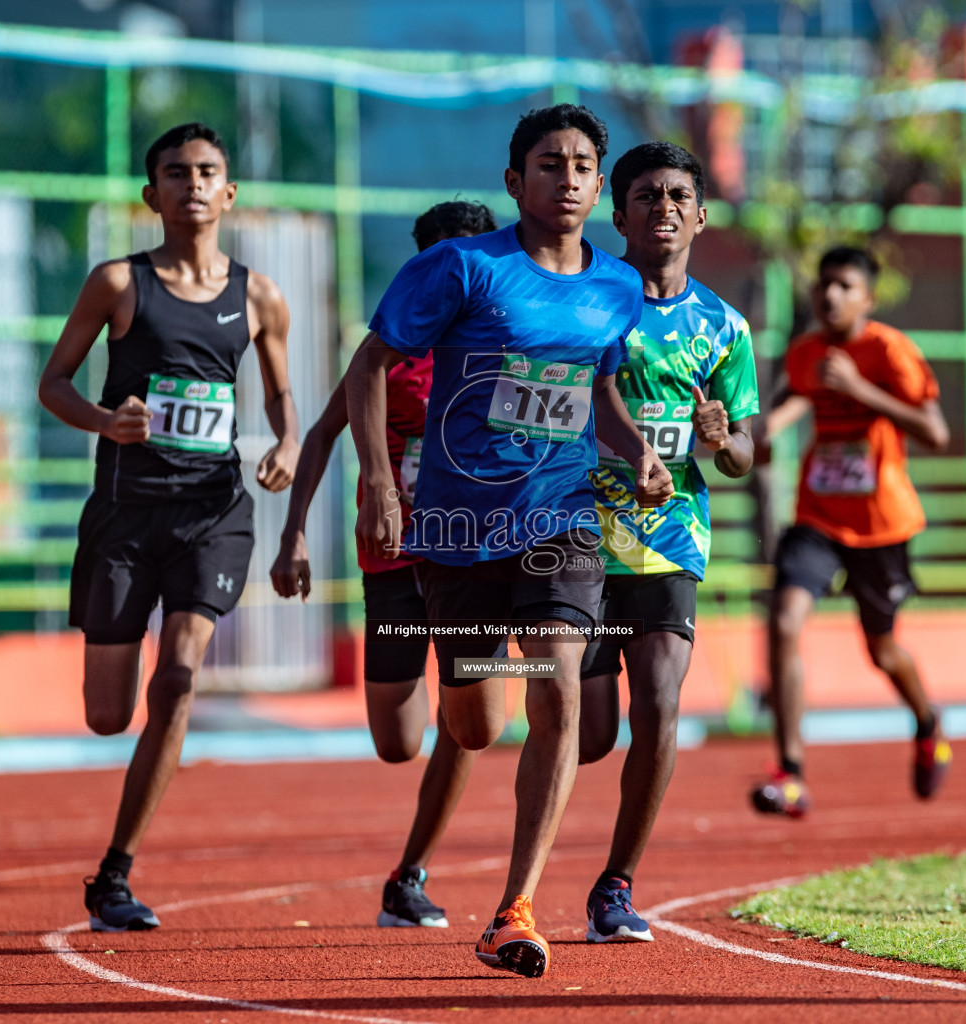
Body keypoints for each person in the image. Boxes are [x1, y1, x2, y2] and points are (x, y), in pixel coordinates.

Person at [346, 104, 672, 978]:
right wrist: (380, 479)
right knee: (476, 721)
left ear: (598, 187)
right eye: (548, 163)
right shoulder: (460, 267)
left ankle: (515, 907)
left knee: (560, 673)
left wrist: (636, 449)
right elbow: (368, 369)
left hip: (559, 517)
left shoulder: (616, 287)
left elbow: (596, 387)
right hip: (456, 527)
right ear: (514, 181)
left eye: (579, 166)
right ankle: (487, 675)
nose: (565, 178)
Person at [38, 123, 300, 930]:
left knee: (179, 675)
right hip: (125, 516)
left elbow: (281, 394)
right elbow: (54, 383)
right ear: (152, 195)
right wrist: (102, 420)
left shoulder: (257, 295)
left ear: (229, 193)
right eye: (175, 173)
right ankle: (117, 855)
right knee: (108, 715)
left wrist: (287, 440)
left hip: (213, 512)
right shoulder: (118, 283)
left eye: (207, 172)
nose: (192, 184)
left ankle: (115, 873)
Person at [269, 200, 498, 929]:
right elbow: (319, 435)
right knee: (399, 743)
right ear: (423, 269)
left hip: (475, 562)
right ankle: (463, 687)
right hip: (394, 564)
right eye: (445, 263)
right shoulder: (391, 351)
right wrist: (293, 536)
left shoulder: (510, 340)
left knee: (472, 723)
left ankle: (411, 874)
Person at [577, 141, 759, 942]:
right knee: (586, 735)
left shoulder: (723, 325)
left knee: (657, 702)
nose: (666, 207)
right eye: (647, 195)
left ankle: (615, 887)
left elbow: (746, 454)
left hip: (668, 536)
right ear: (618, 215)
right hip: (575, 530)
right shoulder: (583, 299)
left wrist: (724, 441)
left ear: (702, 213)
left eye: (680, 194)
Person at [751, 246, 951, 820]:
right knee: (785, 620)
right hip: (818, 517)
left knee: (883, 650)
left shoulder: (888, 350)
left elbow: (934, 433)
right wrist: (746, 438)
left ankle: (927, 721)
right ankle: (790, 773)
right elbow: (784, 415)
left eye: (843, 286)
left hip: (882, 525)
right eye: (823, 285)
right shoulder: (807, 351)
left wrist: (862, 391)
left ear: (867, 296)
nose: (829, 295)